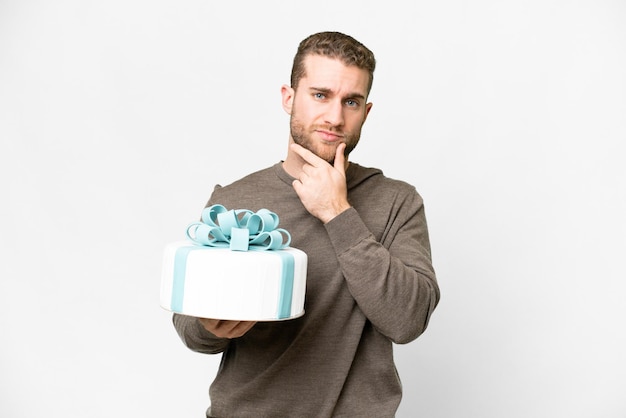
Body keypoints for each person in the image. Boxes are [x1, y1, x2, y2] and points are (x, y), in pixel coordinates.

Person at [172, 31, 440, 417]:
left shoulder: (397, 202)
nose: (334, 116)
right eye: (320, 95)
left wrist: (337, 212)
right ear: (288, 98)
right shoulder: (235, 200)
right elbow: (188, 323)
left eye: (351, 101)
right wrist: (209, 326)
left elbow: (408, 321)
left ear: (366, 112)